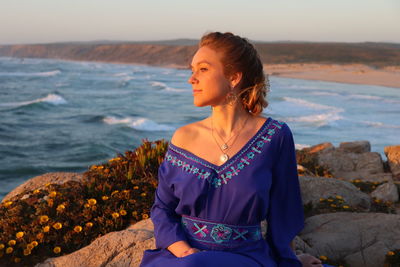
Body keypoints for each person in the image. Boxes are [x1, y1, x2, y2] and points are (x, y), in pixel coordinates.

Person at [139, 32, 332, 267]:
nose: (192, 79)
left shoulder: (275, 136)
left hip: (245, 258)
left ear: (233, 77)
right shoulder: (183, 137)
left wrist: (290, 260)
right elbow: (162, 208)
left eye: (203, 69)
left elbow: (283, 212)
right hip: (183, 256)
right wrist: (181, 250)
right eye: (192, 69)